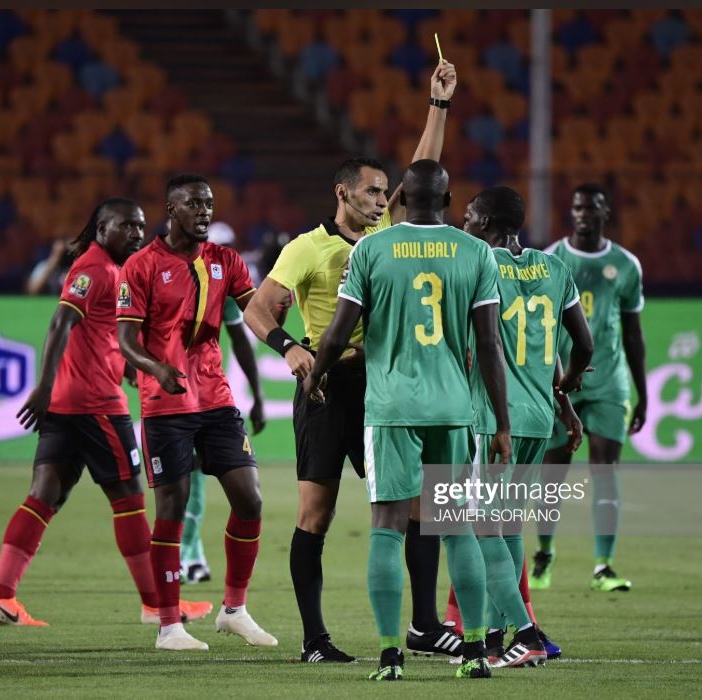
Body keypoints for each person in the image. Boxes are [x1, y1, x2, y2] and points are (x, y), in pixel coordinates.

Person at [243, 61, 459, 663]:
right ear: (342, 193)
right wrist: (289, 347)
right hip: (327, 387)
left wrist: (437, 105)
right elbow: (258, 310)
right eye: (370, 190)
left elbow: (421, 170)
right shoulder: (307, 249)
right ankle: (315, 640)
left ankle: (420, 627)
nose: (380, 199)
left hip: (384, 388)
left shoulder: (387, 231)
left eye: (383, 193)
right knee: (317, 512)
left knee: (415, 504)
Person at [304, 160, 510, 680]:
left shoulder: (372, 248)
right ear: (446, 202)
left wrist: (315, 376)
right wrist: (501, 423)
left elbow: (336, 333)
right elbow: (488, 345)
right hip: (452, 408)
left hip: (392, 408)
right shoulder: (476, 251)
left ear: (401, 200)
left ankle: (392, 656)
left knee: (388, 526)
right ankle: (474, 650)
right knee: (456, 526)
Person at [0, 198, 211, 627]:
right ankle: (159, 606)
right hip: (95, 407)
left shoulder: (111, 268)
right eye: (127, 226)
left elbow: (96, 332)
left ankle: (0, 594)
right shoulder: (96, 269)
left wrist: (122, 365)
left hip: (71, 404)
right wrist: (42, 388)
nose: (138, 235)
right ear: (102, 229)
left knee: (43, 497)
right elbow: (59, 323)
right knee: (130, 503)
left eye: (141, 227)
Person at [117, 174, 276, 652]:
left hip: (216, 399)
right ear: (171, 207)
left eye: (209, 204)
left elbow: (255, 316)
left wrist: (280, 311)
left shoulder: (225, 262)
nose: (205, 211)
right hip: (165, 404)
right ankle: (169, 625)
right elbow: (126, 340)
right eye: (195, 204)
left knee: (250, 499)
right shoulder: (141, 266)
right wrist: (154, 369)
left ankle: (234, 610)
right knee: (172, 511)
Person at [460, 185, 594, 666]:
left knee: (479, 526)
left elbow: (486, 342)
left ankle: (528, 632)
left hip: (496, 417)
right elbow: (582, 343)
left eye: (471, 215)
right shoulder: (555, 268)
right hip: (539, 418)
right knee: (509, 528)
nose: (464, 221)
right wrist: (567, 393)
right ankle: (497, 637)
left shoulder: (478, 263)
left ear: (489, 222)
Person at [532, 184, 647, 593]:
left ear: (605, 213)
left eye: (591, 208)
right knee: (552, 475)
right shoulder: (550, 260)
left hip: (609, 383)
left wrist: (643, 393)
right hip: (559, 382)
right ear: (571, 212)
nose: (584, 213)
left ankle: (604, 565)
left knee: (605, 471)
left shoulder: (626, 265)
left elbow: (633, 334)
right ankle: (544, 551)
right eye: (578, 206)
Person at [181, 224, 266, 585]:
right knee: (436, 519)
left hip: (454, 418)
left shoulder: (224, 280)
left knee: (441, 521)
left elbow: (242, 337)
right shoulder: (459, 256)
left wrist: (258, 394)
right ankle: (185, 559)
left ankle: (450, 617)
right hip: (450, 413)